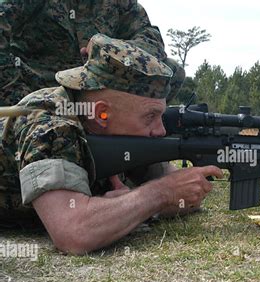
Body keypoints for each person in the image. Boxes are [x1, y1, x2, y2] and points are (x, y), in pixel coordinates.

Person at [0, 33, 223, 255]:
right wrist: (160, 194)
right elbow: (74, 232)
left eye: (161, 116)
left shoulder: (122, 135)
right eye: (150, 116)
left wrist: (149, 199)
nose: (161, 130)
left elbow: (182, 196)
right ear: (101, 114)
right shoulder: (48, 122)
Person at [0, 0, 184, 105]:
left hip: (101, 86)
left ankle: (136, 134)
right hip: (41, 86)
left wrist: (110, 50)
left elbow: (151, 39)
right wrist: (17, 94)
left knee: (171, 71)